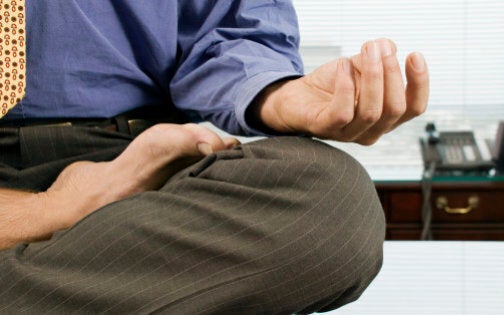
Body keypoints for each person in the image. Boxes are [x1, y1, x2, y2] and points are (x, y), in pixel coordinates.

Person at [0, 1, 428, 314]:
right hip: (111, 197)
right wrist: (56, 210)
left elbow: (228, 29)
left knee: (332, 203)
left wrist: (277, 93)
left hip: (134, 163)